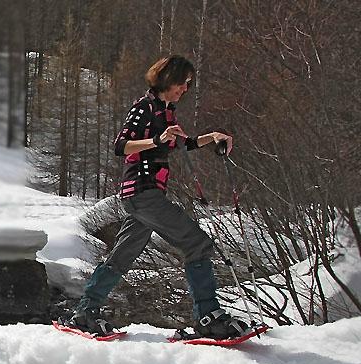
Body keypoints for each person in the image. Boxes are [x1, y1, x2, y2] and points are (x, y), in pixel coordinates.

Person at [62, 55, 250, 339]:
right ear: (168, 80)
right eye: (183, 83)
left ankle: (86, 312)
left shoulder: (166, 111)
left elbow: (183, 143)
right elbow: (121, 146)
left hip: (143, 197)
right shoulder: (144, 107)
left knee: (122, 255)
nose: (185, 89)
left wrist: (212, 137)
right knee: (196, 244)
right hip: (142, 193)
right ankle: (208, 317)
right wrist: (157, 140)